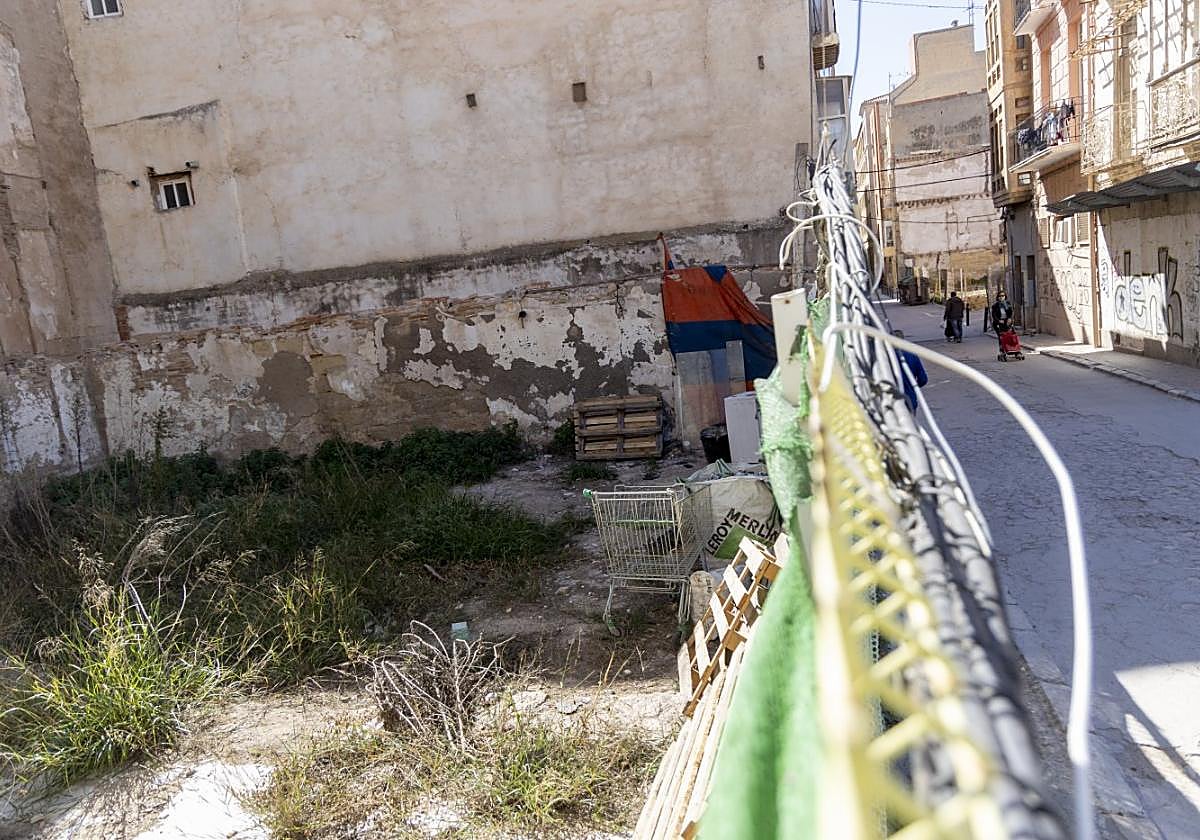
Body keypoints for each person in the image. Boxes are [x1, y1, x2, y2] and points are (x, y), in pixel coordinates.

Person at [893, 330, 928, 410]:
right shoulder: (912, 355)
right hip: (909, 398)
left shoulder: (885, 356)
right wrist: (913, 386)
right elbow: (923, 379)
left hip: (891, 400)